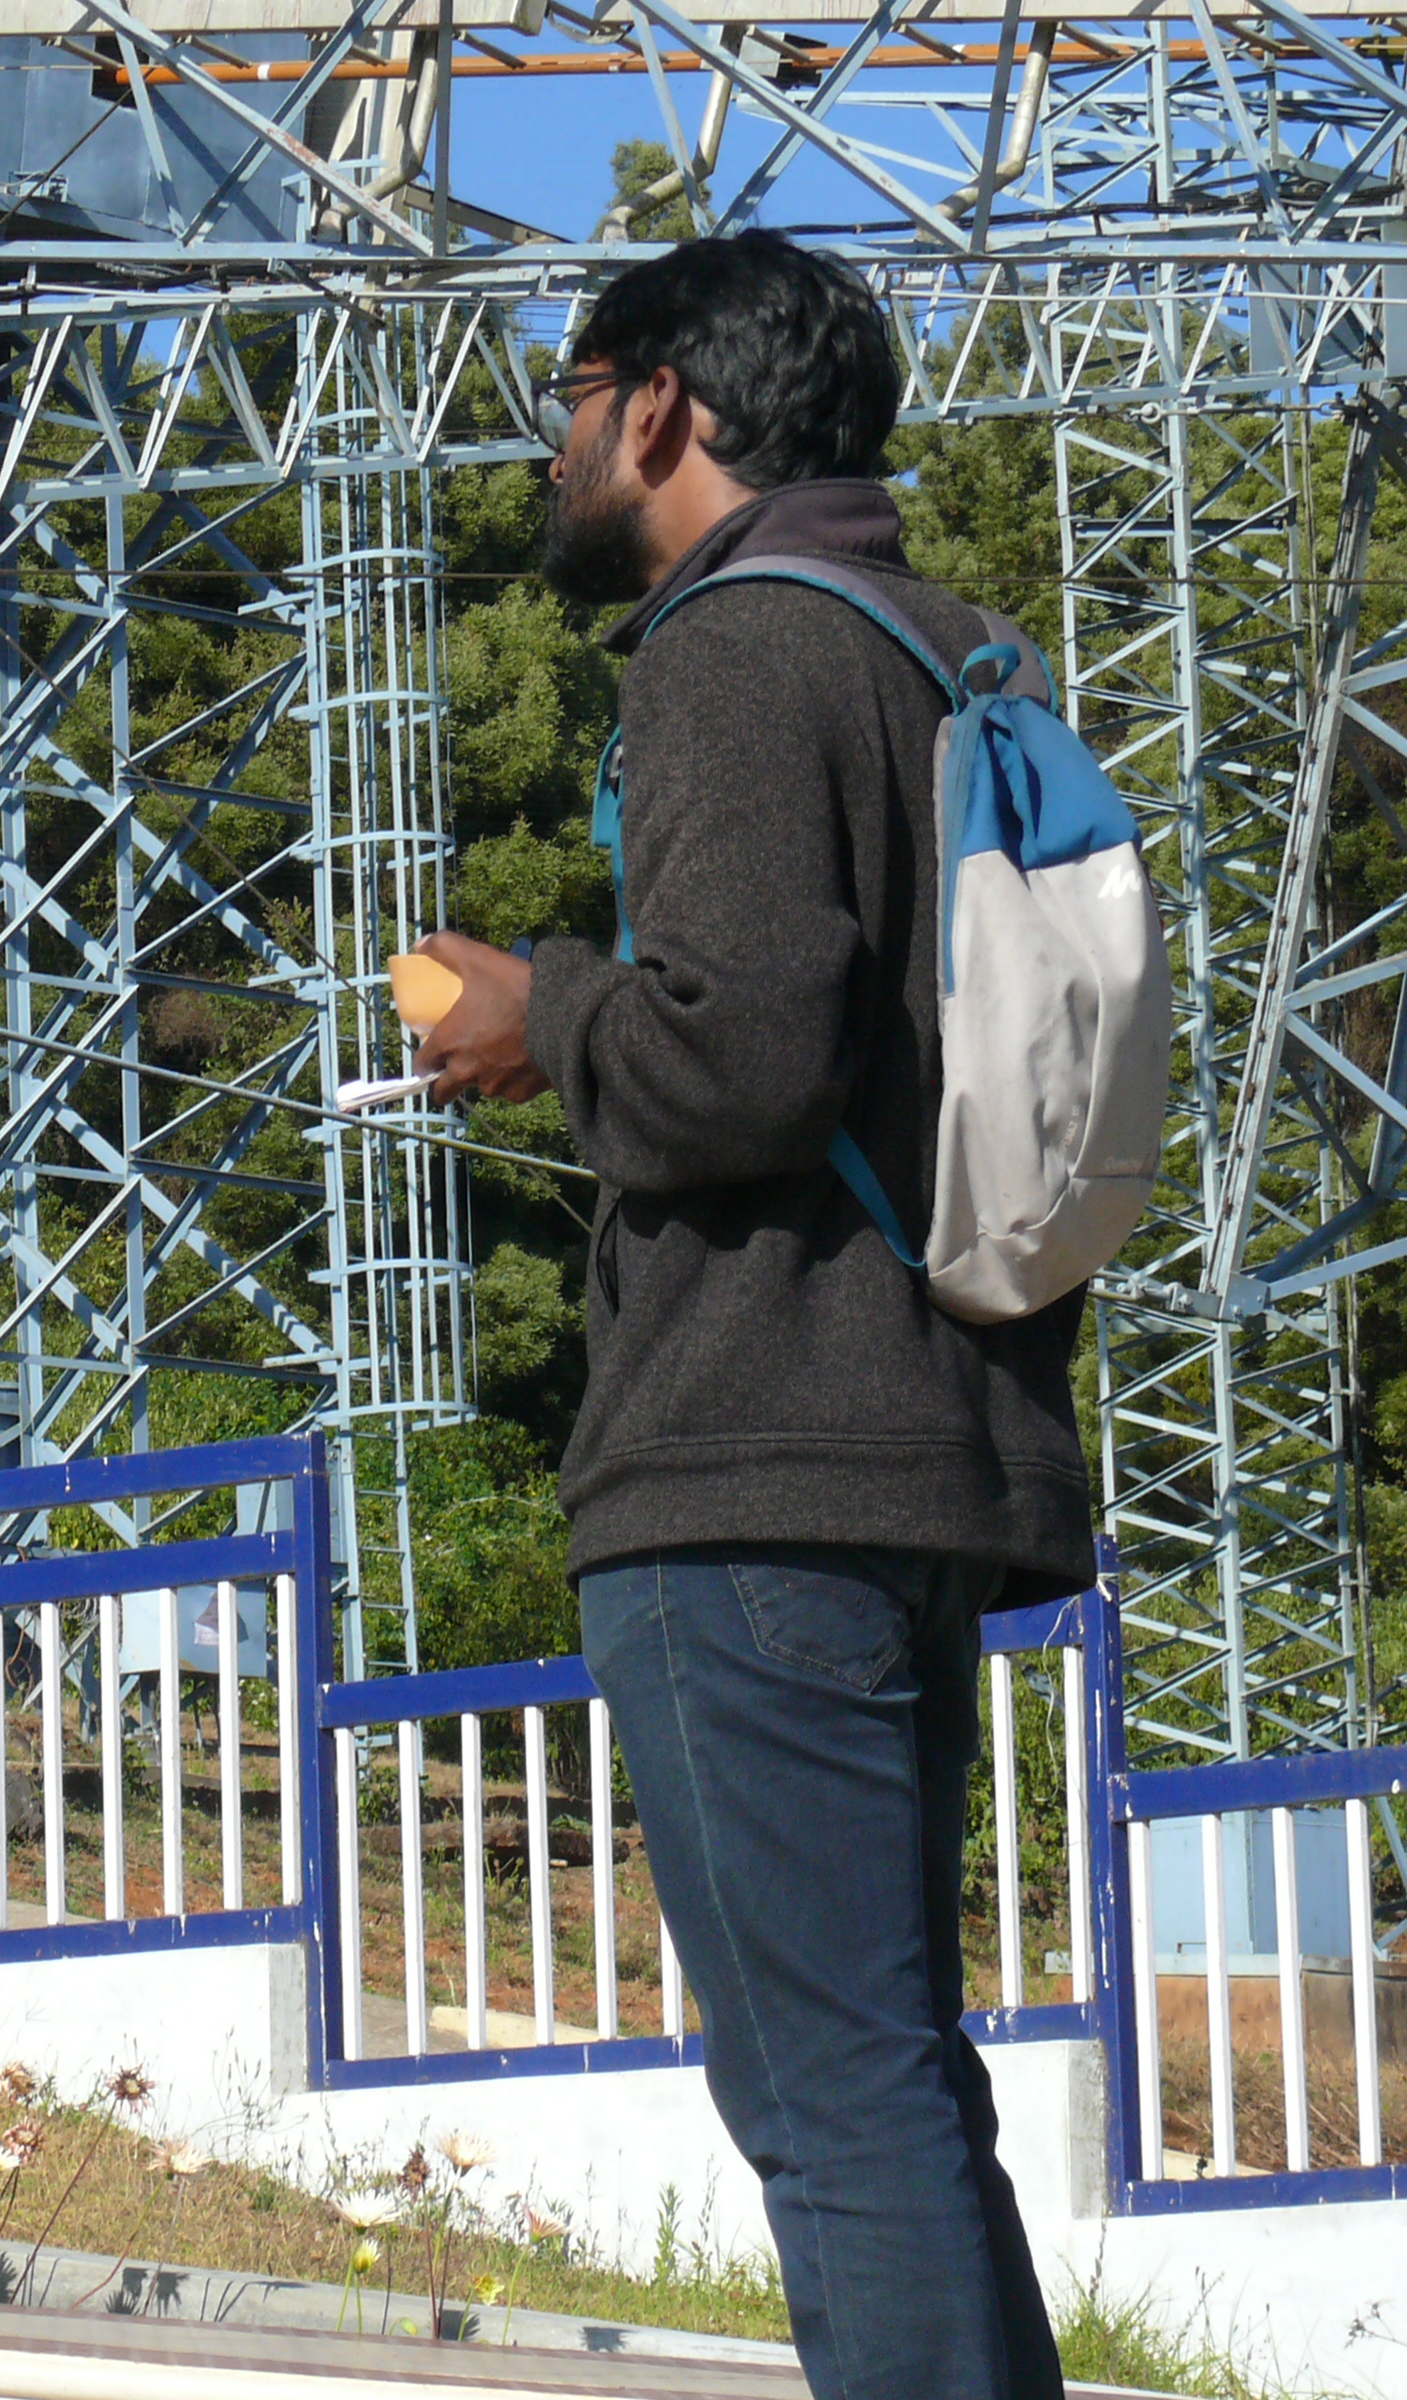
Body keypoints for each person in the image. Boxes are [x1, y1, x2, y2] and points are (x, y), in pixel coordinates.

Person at [411, 231, 1091, 2400]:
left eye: (566, 404)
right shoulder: (942, 642)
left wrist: (550, 1010)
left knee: (830, 2106)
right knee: (900, 2088)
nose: (555, 453)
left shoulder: (725, 651)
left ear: (664, 409)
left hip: (752, 1455)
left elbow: (745, 1060)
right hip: (929, 1431)